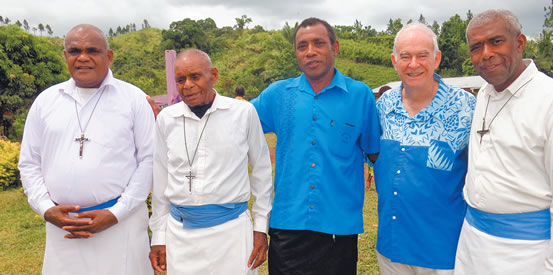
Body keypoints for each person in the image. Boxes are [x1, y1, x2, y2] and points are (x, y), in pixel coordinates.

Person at [454, 9, 553, 274]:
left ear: (519, 42)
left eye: (496, 41)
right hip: (472, 244)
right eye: (476, 47)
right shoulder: (483, 95)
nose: (485, 54)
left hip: (527, 253)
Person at [18, 24, 154, 274]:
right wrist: (47, 209)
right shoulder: (46, 101)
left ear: (109, 56)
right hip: (64, 228)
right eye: (74, 51)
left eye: (92, 50)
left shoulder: (134, 99)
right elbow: (29, 162)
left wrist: (116, 213)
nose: (83, 57)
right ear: (65, 56)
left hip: (120, 226)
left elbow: (149, 161)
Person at [251, 17, 380, 274]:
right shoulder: (277, 94)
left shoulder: (360, 95)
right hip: (288, 225)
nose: (310, 51)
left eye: (318, 43)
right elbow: (235, 122)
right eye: (302, 46)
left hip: (338, 227)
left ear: (335, 47)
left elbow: (375, 152)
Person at [148, 49, 273, 274]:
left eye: (195, 77)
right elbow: (161, 179)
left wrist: (261, 228)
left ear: (213, 75)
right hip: (180, 236)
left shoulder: (243, 113)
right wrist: (159, 236)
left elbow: (262, 172)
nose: (187, 85)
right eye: (181, 79)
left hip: (232, 233)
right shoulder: (167, 119)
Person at [374, 22, 476, 275]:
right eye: (405, 56)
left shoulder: (466, 107)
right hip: (392, 249)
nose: (413, 64)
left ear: (437, 58)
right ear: (394, 61)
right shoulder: (383, 105)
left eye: (422, 55)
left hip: (444, 252)